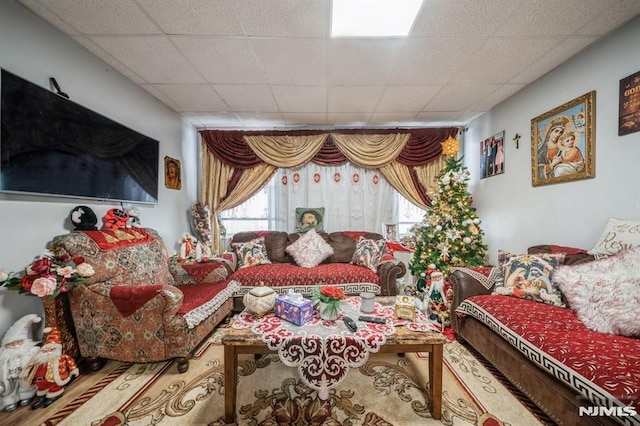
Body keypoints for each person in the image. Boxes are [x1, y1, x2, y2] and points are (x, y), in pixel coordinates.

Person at [21, 327, 79, 409]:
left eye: (51, 349)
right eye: (45, 350)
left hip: (54, 378)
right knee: (41, 387)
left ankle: (54, 394)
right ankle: (41, 397)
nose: (48, 352)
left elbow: (70, 361)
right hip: (40, 380)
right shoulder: (38, 359)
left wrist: (74, 370)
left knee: (54, 386)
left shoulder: (60, 357)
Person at [0, 314, 41, 412]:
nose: (15, 346)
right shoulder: (5, 357)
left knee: (25, 384)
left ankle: (26, 395)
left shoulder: (27, 352)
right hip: (10, 375)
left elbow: (35, 352)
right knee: (10, 388)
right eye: (11, 344)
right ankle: (10, 400)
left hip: (23, 373)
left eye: (18, 342)